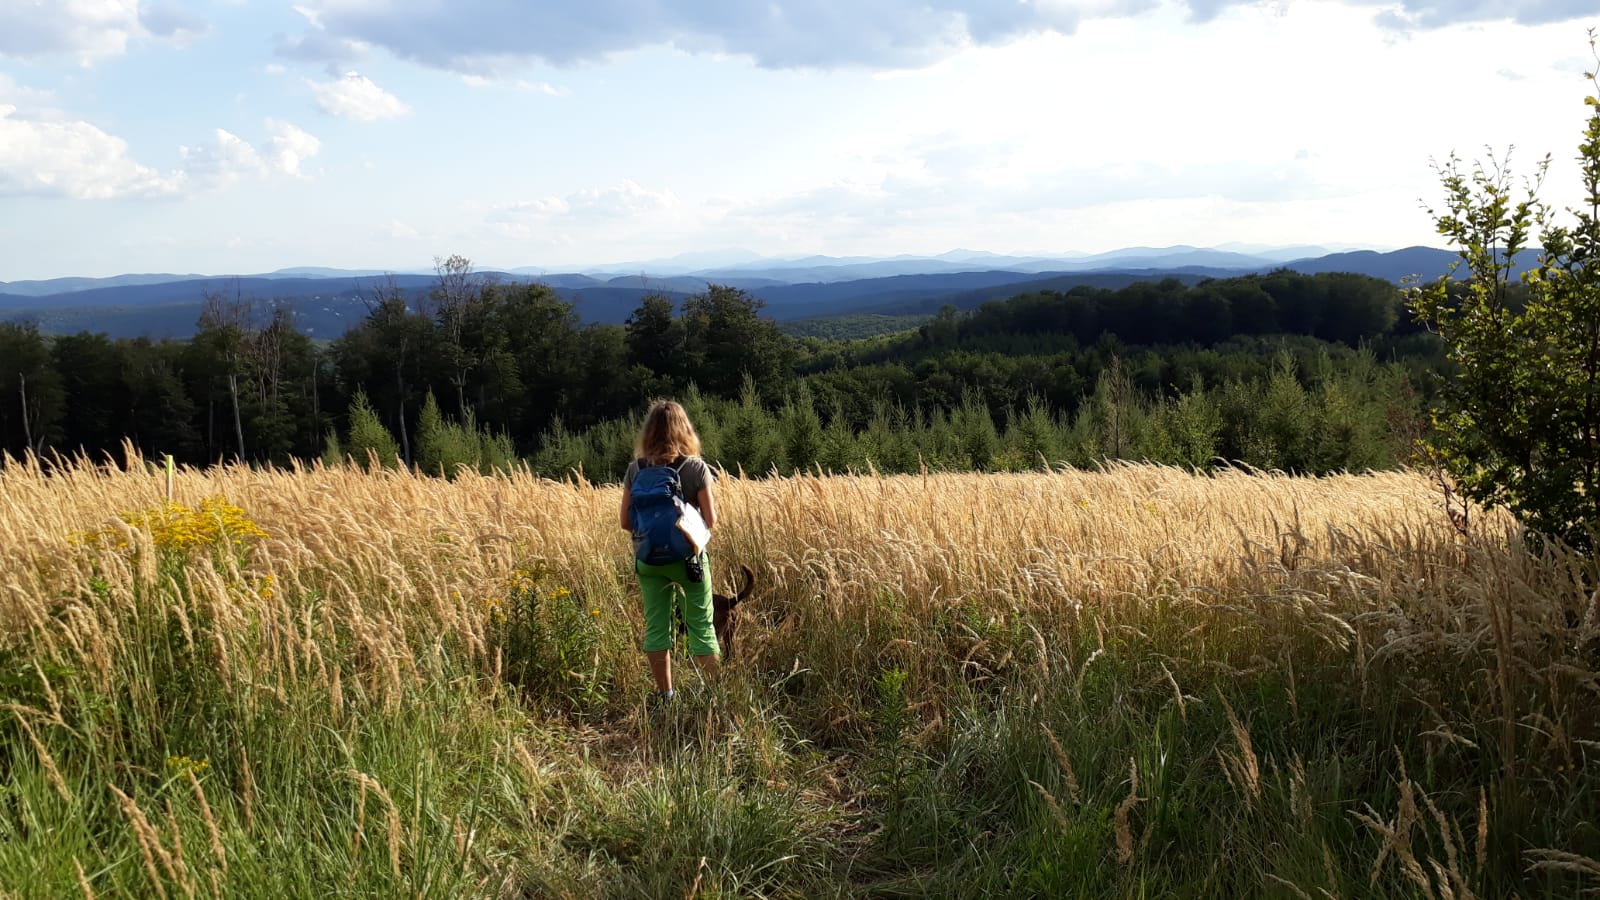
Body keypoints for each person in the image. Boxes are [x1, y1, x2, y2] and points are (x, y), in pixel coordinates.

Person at [618, 399, 720, 703]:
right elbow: (711, 520)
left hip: (649, 560)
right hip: (688, 559)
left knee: (657, 627)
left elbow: (625, 522)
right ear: (684, 429)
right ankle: (716, 699)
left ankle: (667, 697)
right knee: (701, 626)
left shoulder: (635, 469)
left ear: (648, 432)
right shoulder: (695, 468)